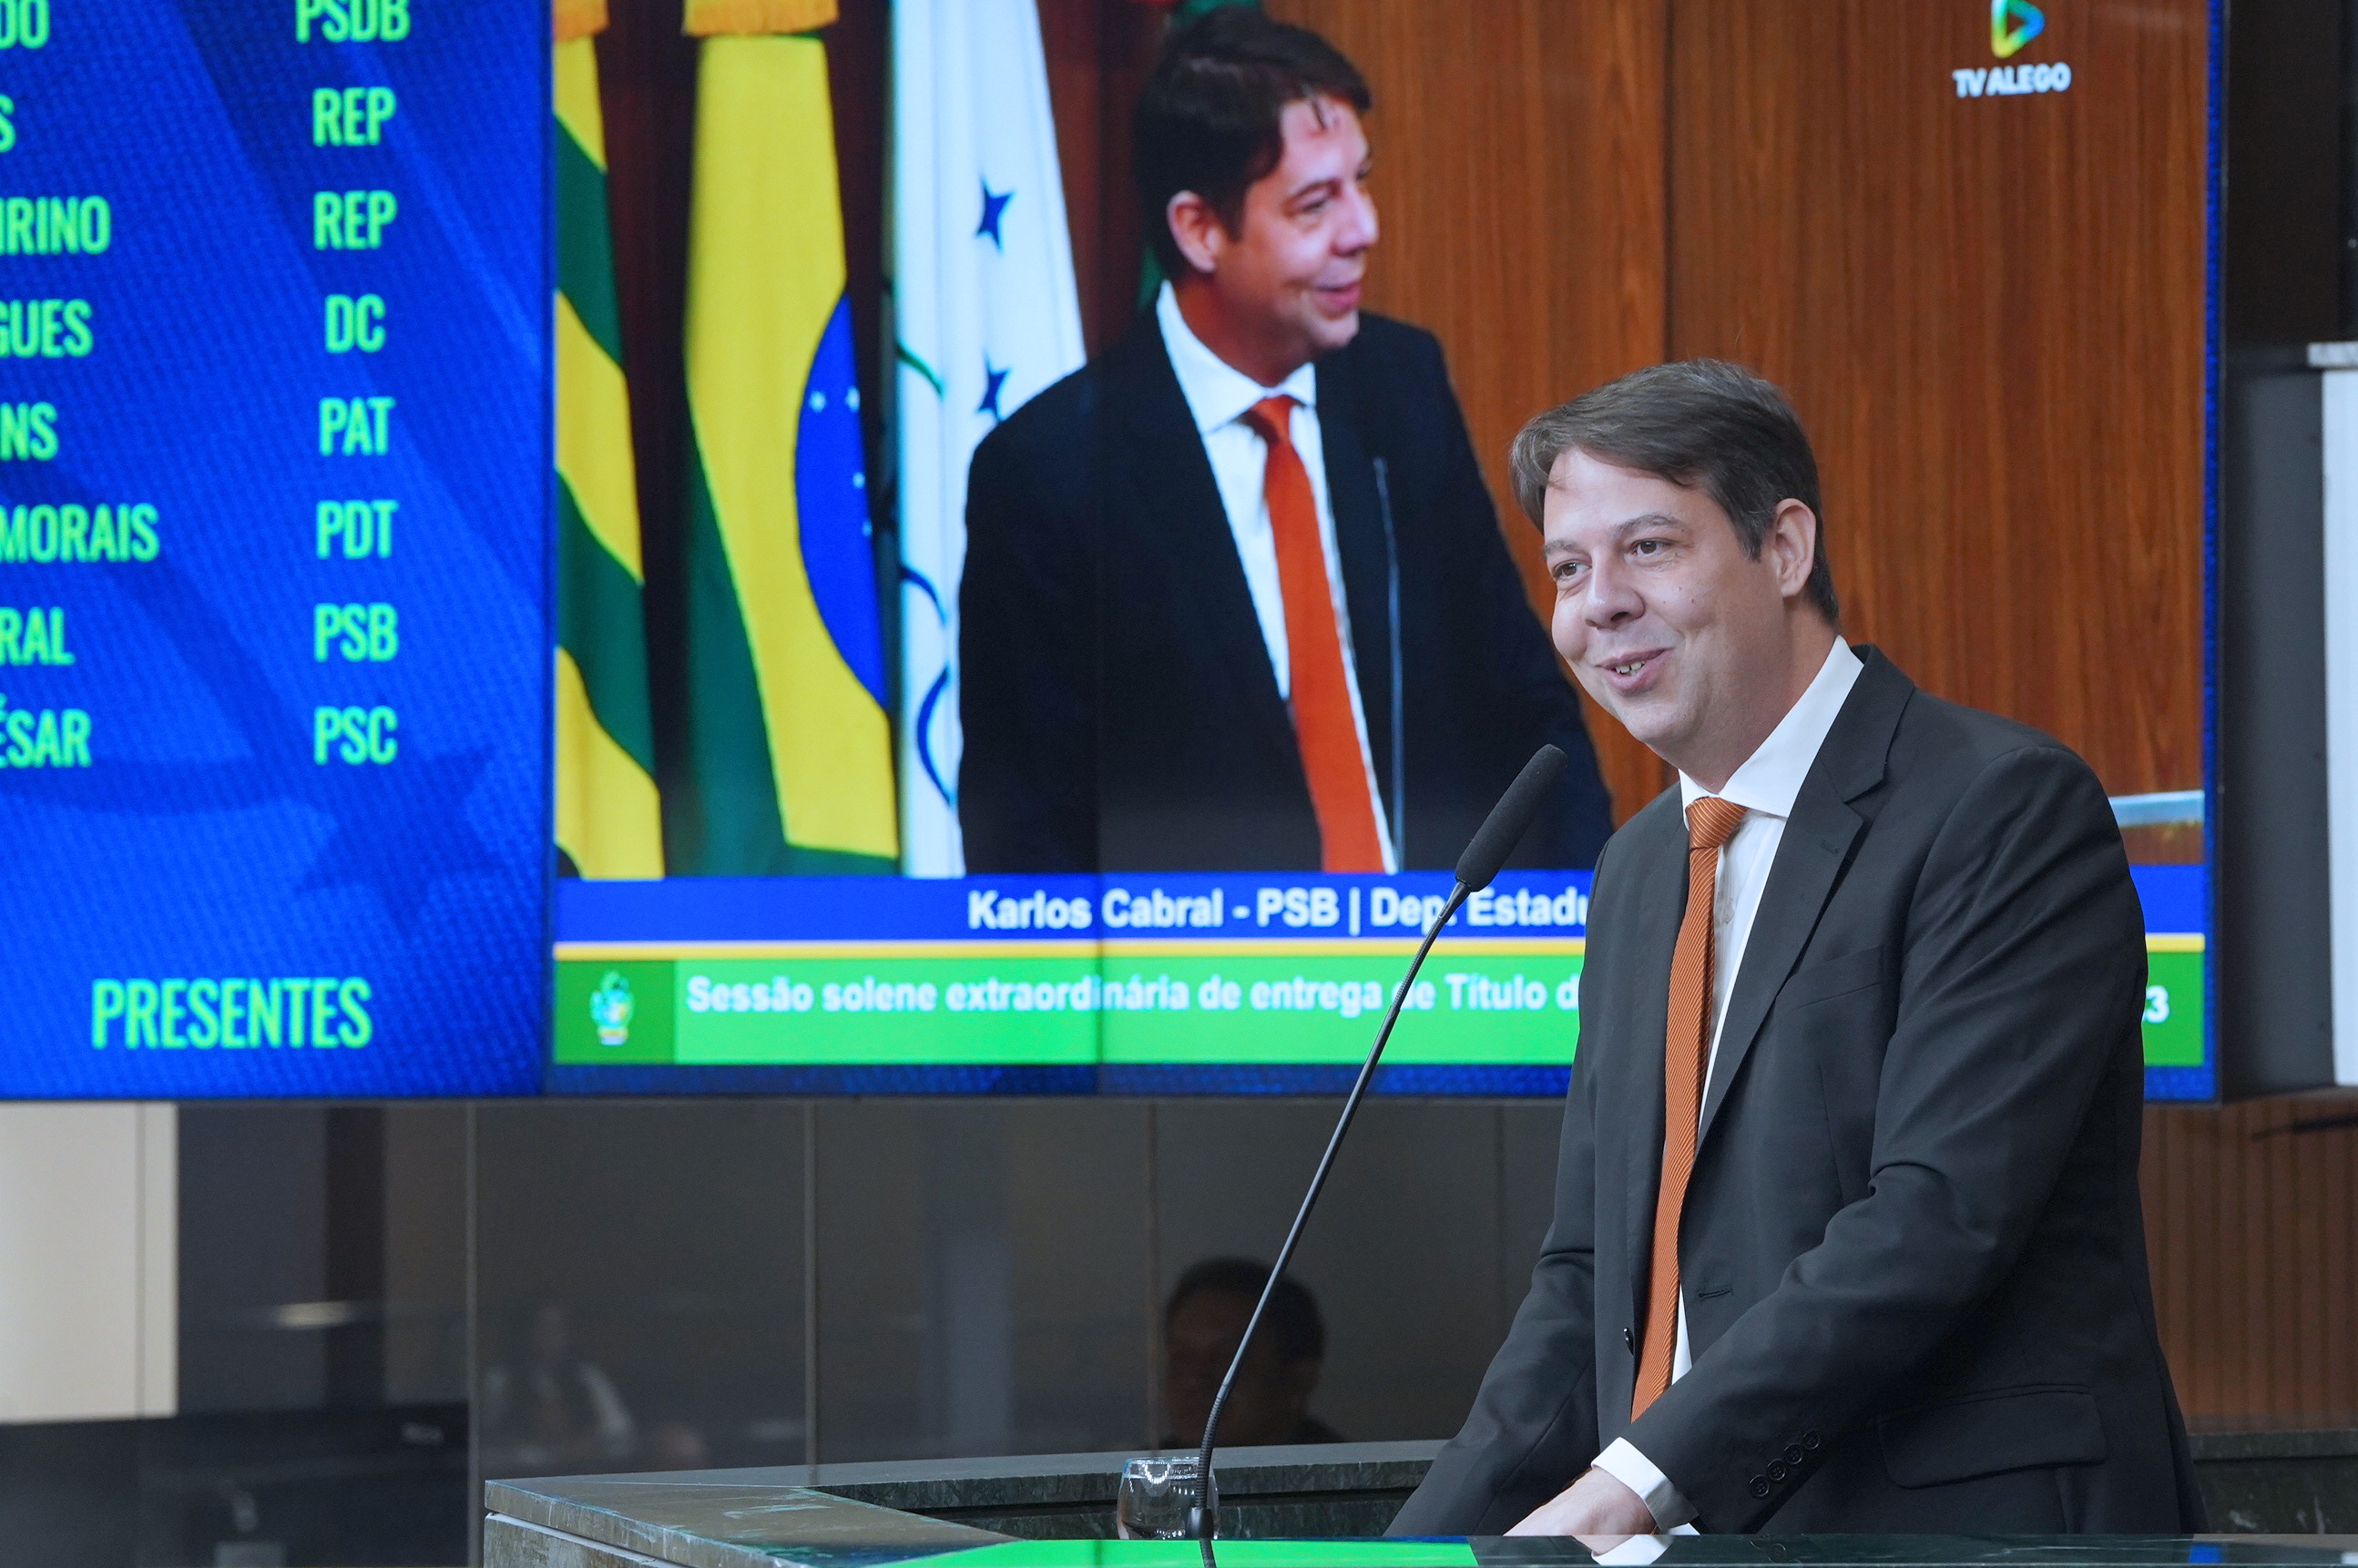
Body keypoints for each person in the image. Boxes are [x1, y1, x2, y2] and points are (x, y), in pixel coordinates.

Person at [1390, 361, 2202, 1537]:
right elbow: (1589, 1281)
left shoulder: (2002, 809)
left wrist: (1630, 1485)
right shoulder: (1636, 870)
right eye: (1566, 568)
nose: (1597, 604)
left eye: (1647, 548)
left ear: (1783, 547)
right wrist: (1408, 1558)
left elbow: (1934, 1218)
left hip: (1963, 1541)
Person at [958, 9, 1612, 874]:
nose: (1362, 228)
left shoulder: (1401, 389)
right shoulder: (1049, 471)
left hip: (1442, 946)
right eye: (1315, 204)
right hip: (1201, 961)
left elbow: (1526, 715)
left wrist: (1587, 931)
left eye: (1359, 183)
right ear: (1199, 229)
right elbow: (1024, 835)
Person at [1160, 1257, 1342, 1450]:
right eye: (1182, 1356)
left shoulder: (1349, 1467)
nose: (1194, 1380)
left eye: (1227, 1356)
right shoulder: (1146, 1466)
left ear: (1298, 1381)